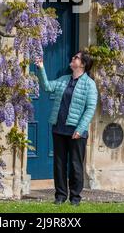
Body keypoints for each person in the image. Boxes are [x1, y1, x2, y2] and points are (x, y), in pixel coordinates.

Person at [35, 50, 98, 206]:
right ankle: (60, 196)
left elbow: (90, 108)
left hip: (76, 131)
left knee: (76, 165)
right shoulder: (64, 79)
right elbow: (48, 87)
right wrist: (41, 68)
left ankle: (75, 198)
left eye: (75, 58)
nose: (72, 58)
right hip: (59, 128)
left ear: (82, 64)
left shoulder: (90, 84)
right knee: (59, 164)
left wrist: (80, 128)